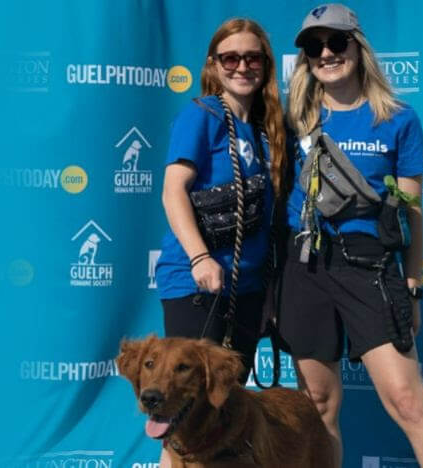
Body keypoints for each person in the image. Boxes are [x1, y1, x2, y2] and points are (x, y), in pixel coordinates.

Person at [280, 4, 423, 467]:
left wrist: (413, 285)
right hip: (305, 265)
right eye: (314, 46)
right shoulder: (294, 118)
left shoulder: (398, 118)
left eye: (336, 42)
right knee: (317, 404)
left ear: (358, 49)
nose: (326, 53)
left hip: (369, 266)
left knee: (407, 401)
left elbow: (412, 212)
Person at [153, 18, 286, 466]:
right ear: (214, 64)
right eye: (231, 57)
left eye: (252, 57)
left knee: (219, 417)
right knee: (181, 419)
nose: (242, 66)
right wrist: (199, 257)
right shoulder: (202, 114)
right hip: (197, 286)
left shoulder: (267, 131)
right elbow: (174, 190)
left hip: (244, 293)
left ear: (265, 65)